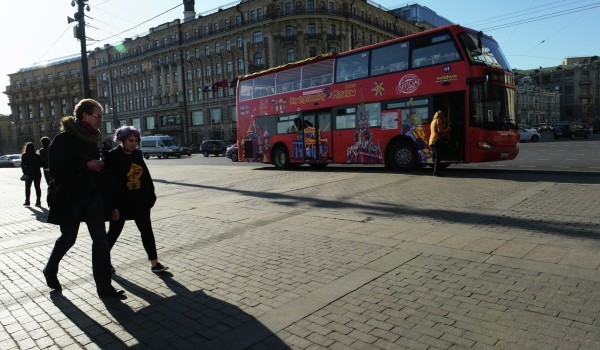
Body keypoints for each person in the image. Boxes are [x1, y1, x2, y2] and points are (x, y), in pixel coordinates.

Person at [43, 98, 125, 299]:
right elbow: (55, 170)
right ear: (85, 115)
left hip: (92, 196)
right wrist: (85, 166)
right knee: (68, 239)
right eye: (98, 116)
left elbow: (98, 167)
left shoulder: (92, 139)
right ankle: (50, 268)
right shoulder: (63, 139)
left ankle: (104, 288)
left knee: (101, 242)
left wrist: (101, 165)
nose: (100, 120)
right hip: (71, 198)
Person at [105, 126, 168, 274]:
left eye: (136, 140)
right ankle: (105, 262)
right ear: (121, 140)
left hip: (139, 202)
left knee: (147, 231)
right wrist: (112, 207)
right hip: (120, 204)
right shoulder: (112, 156)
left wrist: (150, 197)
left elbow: (146, 177)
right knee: (113, 234)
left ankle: (155, 264)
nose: (134, 143)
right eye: (130, 140)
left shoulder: (137, 155)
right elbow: (109, 185)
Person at [429, 110, 451, 176]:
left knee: (436, 157)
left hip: (432, 140)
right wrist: (447, 129)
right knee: (438, 157)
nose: (443, 116)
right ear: (440, 115)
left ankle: (436, 172)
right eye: (442, 114)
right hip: (436, 140)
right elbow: (440, 130)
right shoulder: (438, 120)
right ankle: (436, 172)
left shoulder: (433, 121)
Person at [20, 142, 42, 206]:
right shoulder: (37, 155)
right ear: (33, 148)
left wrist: (25, 172)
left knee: (27, 187)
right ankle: (38, 202)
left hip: (28, 173)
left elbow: (22, 165)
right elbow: (41, 164)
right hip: (37, 173)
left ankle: (27, 201)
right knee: (37, 187)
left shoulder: (24, 155)